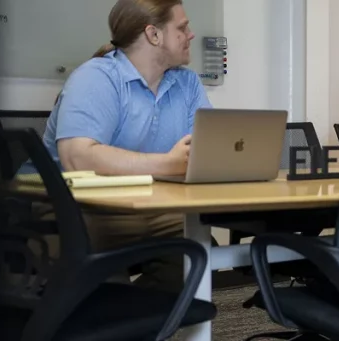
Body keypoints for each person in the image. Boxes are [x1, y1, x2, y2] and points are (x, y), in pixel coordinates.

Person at [31, 0, 210, 292]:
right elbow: (77, 156)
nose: (191, 34)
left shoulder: (186, 84)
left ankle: (131, 323)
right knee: (93, 277)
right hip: (72, 209)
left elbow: (208, 151)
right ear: (153, 35)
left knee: (197, 247)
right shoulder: (97, 77)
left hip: (145, 206)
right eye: (182, 27)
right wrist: (167, 163)